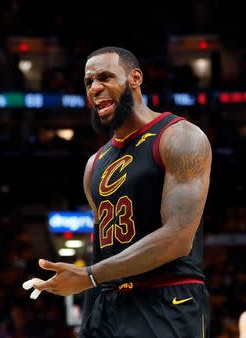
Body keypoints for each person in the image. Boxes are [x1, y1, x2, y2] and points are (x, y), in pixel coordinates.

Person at [24, 47, 211, 337]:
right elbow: (101, 253)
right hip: (109, 303)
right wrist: (90, 313)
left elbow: (178, 237)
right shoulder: (94, 164)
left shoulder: (179, 136)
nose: (95, 88)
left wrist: (90, 276)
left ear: (135, 78)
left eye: (105, 77)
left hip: (167, 299)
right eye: (88, 82)